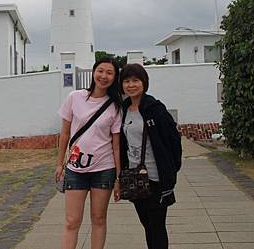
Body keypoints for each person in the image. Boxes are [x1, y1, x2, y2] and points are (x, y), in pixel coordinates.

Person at [55, 57, 123, 249]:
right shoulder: (74, 97)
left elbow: (116, 145)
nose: (104, 76)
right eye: (100, 71)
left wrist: (118, 177)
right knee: (71, 221)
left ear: (115, 77)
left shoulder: (115, 106)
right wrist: (60, 163)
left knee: (99, 219)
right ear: (94, 72)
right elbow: (65, 133)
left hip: (104, 168)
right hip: (75, 168)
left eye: (110, 73)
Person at [117, 63, 182, 249]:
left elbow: (173, 141)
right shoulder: (124, 109)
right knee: (147, 224)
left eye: (135, 80)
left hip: (156, 177)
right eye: (127, 81)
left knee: (157, 226)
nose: (131, 85)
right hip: (135, 178)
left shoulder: (155, 109)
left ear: (144, 82)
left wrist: (170, 171)